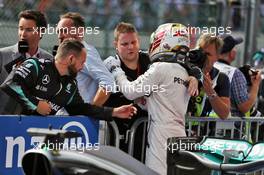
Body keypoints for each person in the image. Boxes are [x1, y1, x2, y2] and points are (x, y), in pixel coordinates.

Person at [105, 23, 201, 175]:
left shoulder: (160, 68)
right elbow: (155, 101)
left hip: (160, 137)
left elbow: (130, 92)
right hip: (178, 134)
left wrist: (116, 71)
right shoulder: (183, 71)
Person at [0, 39, 136, 120]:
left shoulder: (70, 84)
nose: (82, 68)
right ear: (71, 59)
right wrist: (35, 104)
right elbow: (10, 84)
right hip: (11, 132)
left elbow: (81, 108)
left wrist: (113, 112)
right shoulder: (35, 65)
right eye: (82, 62)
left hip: (37, 138)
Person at [104, 22, 149, 157]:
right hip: (115, 134)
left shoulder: (150, 61)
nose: (130, 47)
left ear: (139, 42)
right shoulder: (110, 66)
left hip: (145, 136)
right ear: (115, 45)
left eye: (133, 42)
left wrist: (194, 77)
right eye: (124, 44)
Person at [56, 12, 114, 108]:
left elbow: (108, 82)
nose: (60, 36)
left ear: (80, 32)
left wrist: (91, 112)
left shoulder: (86, 53)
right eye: (58, 32)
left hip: (80, 120)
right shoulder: (71, 53)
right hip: (68, 118)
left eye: (64, 31)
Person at [0, 9, 53, 114]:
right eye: (20, 29)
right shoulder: (2, 55)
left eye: (28, 30)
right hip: (4, 119)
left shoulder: (49, 60)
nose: (23, 34)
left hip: (34, 121)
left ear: (41, 31)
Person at [214, 34, 261, 117]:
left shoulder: (210, 67)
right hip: (230, 127)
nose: (236, 50)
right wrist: (256, 85)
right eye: (234, 47)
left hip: (206, 125)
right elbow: (244, 106)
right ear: (231, 53)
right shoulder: (235, 73)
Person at [190, 33, 231, 119]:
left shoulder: (220, 78)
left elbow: (224, 114)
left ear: (217, 57)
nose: (203, 56)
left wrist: (210, 91)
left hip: (202, 131)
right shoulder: (185, 70)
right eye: (200, 51)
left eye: (208, 54)